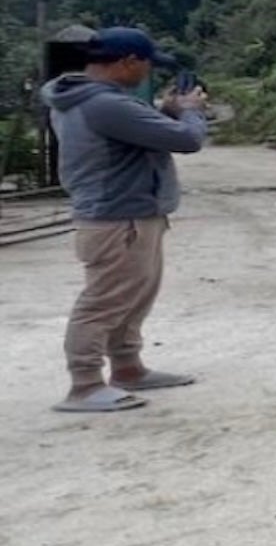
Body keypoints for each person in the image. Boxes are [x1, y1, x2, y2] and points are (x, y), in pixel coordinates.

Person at [40, 27, 210, 413]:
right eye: (147, 64)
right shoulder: (105, 104)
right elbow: (187, 140)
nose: (148, 72)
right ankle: (84, 384)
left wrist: (167, 113)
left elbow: (141, 134)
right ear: (127, 62)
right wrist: (191, 112)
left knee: (133, 298)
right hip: (119, 219)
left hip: (131, 214)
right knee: (104, 302)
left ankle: (128, 367)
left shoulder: (88, 99)